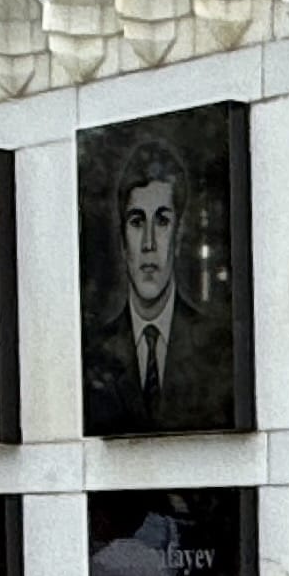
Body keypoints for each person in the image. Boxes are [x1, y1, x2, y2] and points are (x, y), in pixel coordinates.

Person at [83, 138, 240, 435]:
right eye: (137, 222)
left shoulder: (215, 346)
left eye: (163, 222)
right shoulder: (95, 353)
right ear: (121, 237)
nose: (149, 244)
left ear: (179, 234)